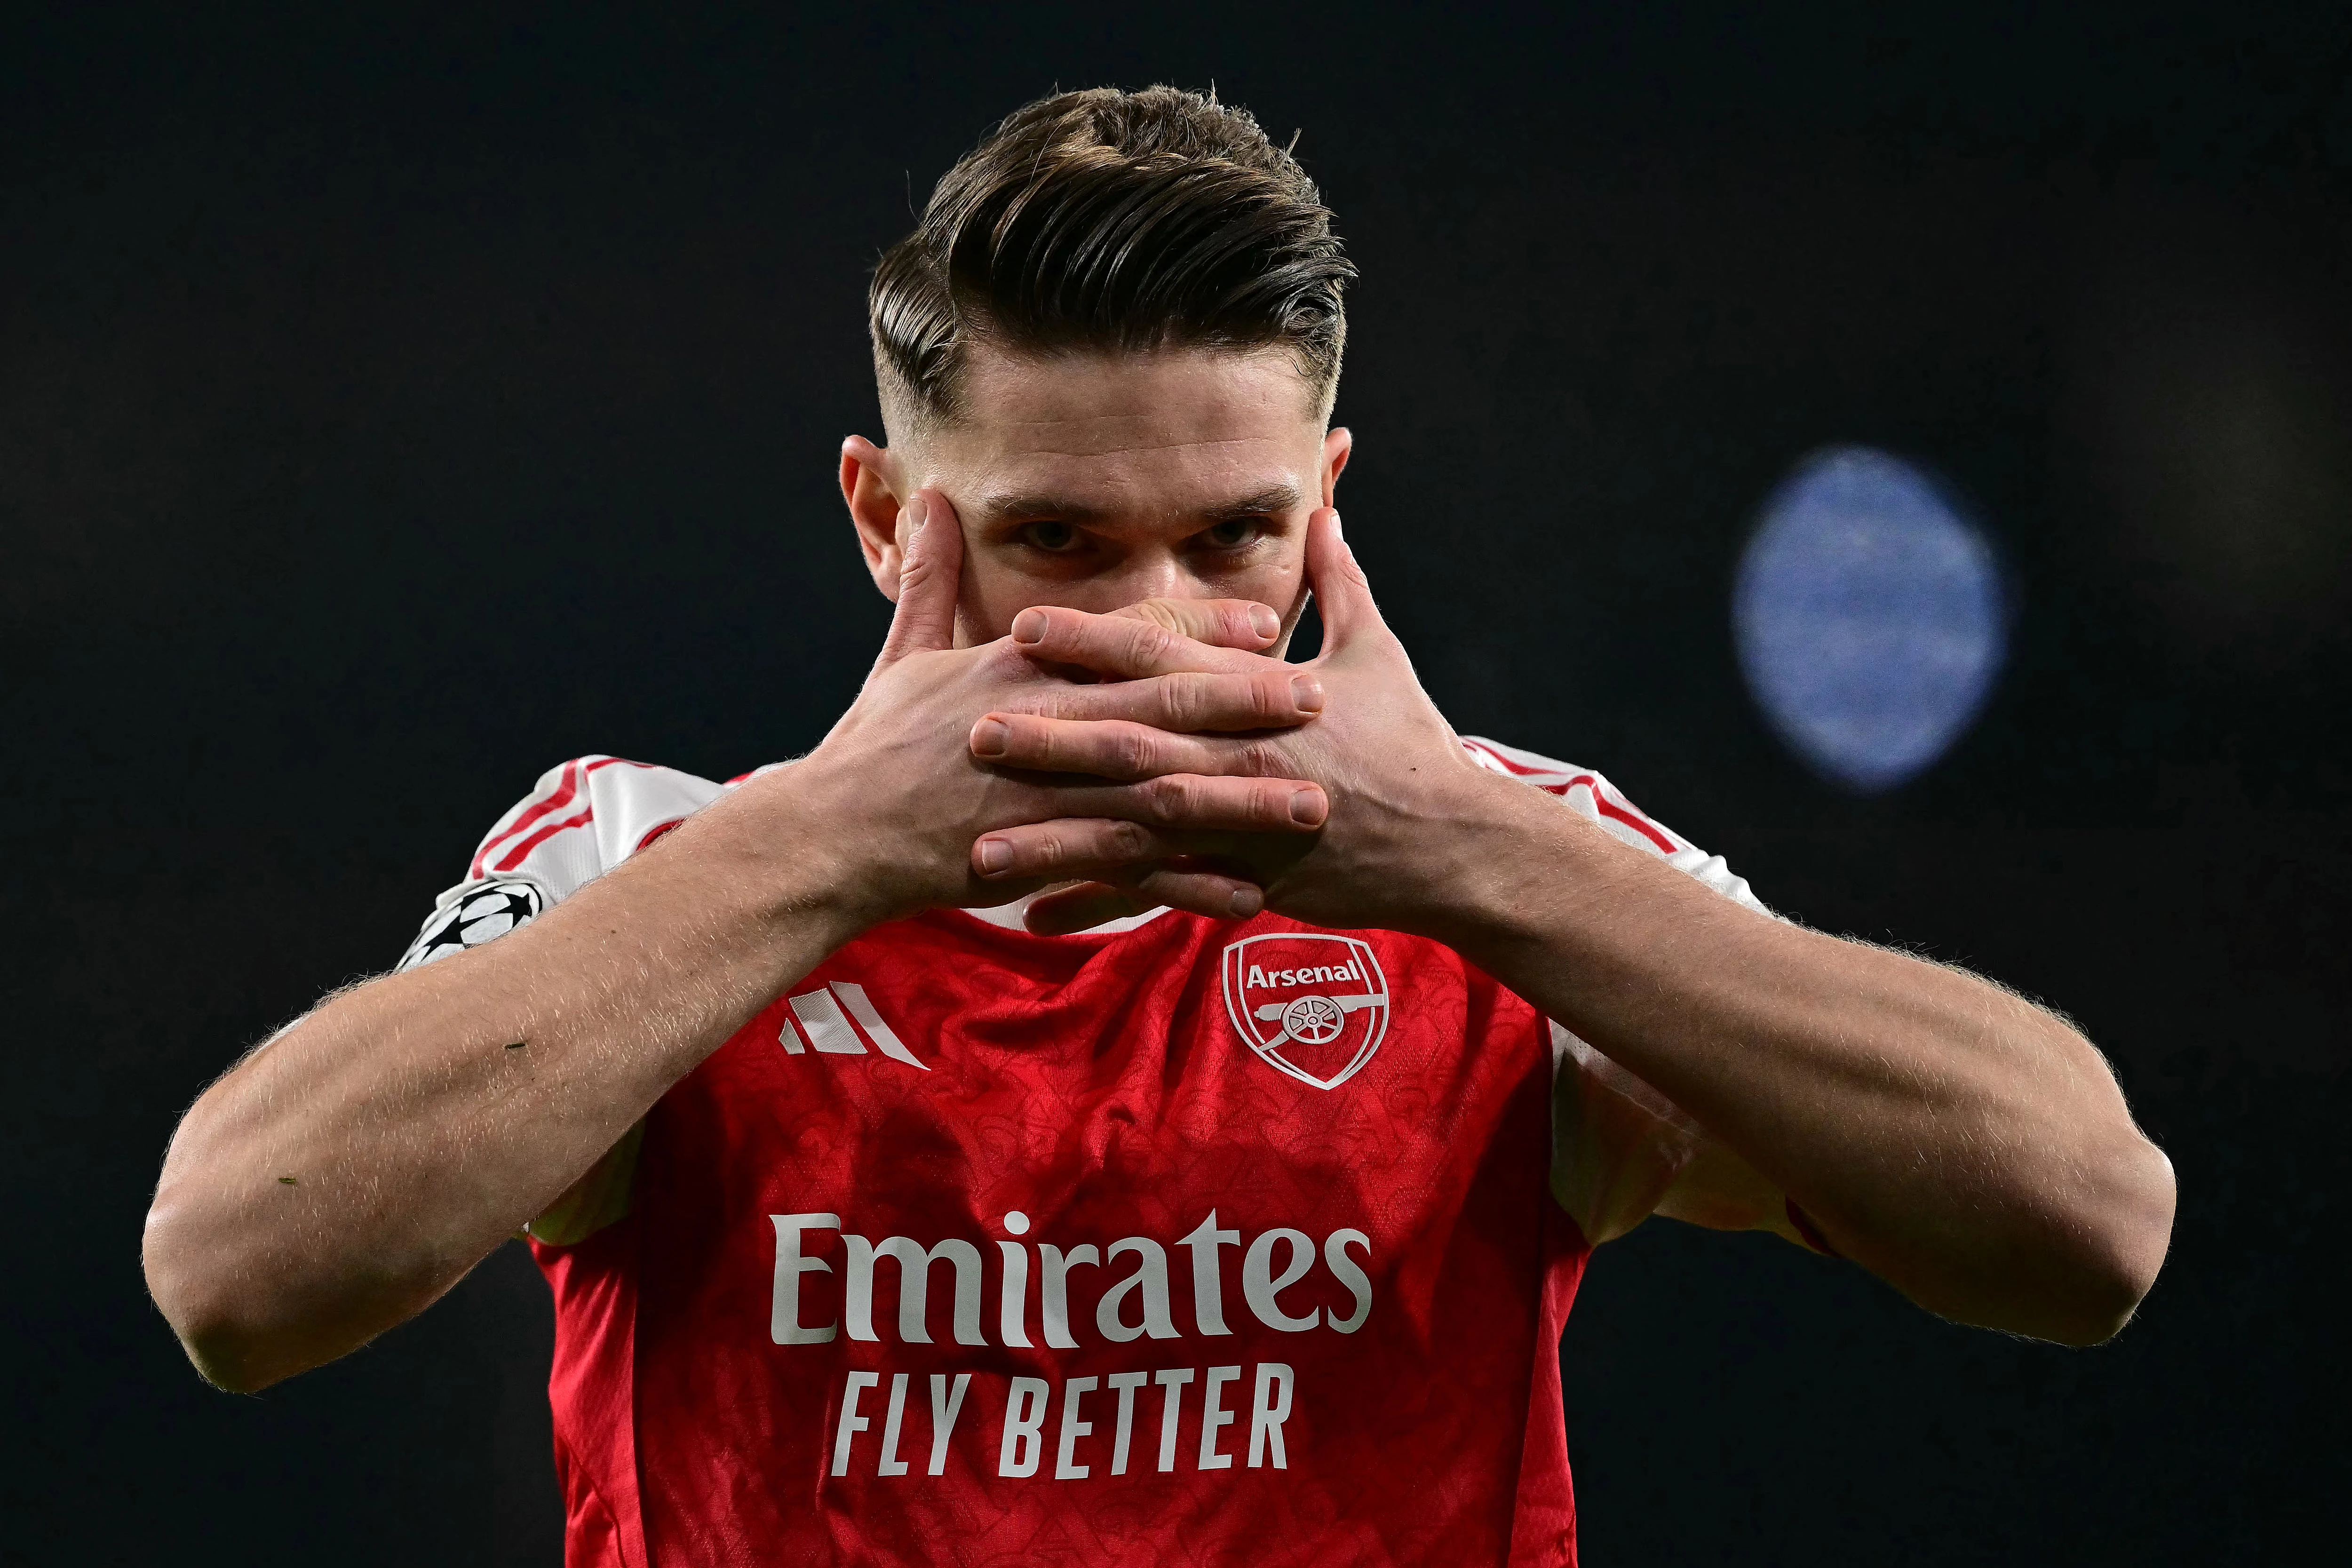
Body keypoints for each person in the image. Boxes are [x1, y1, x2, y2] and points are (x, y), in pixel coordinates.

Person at [143, 87, 2176, 1566]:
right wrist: (840, 844)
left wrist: (1461, 854)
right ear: (882, 518)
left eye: (1231, 539)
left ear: (1327, 505)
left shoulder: (1507, 873)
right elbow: (235, 1268)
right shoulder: (647, 861)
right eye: (1056, 539)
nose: (1144, 630)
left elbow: (2085, 1223)